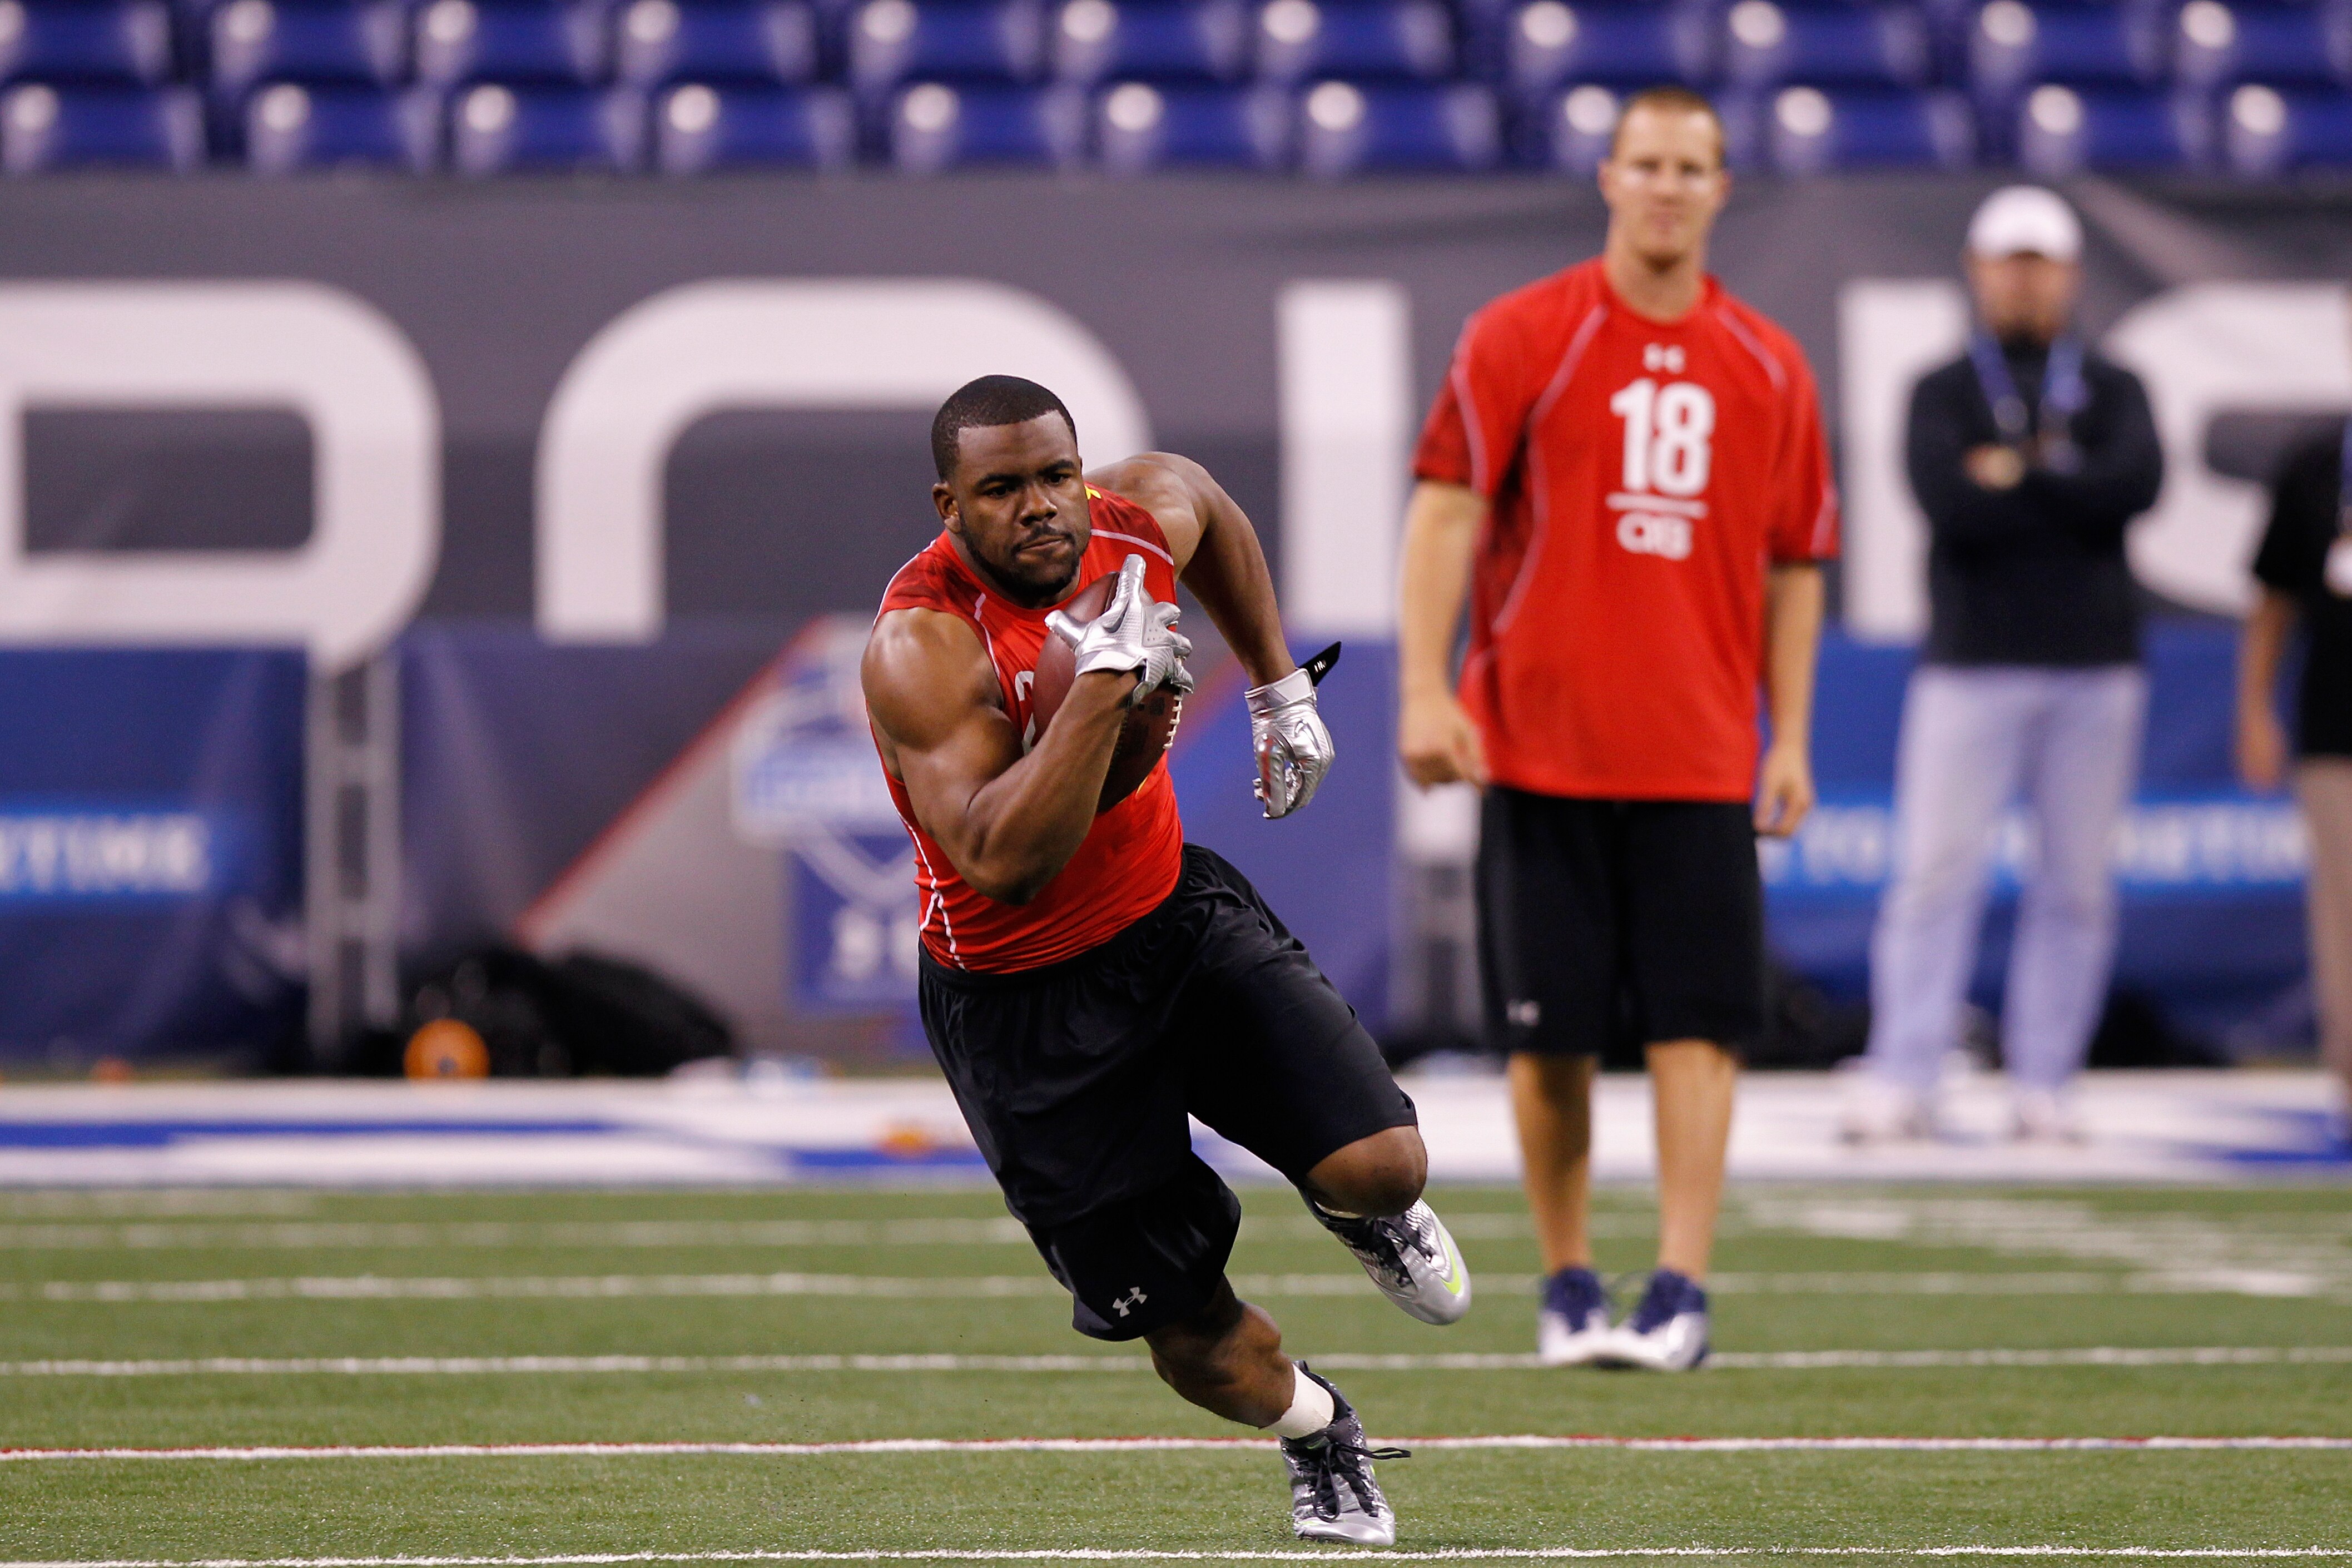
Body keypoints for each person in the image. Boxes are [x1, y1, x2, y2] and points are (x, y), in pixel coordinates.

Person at [863, 375, 1471, 1546]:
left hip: (1171, 923)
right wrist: (1101, 692)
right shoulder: (922, 645)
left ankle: (1360, 1218)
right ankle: (1321, 1430)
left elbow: (1209, 506)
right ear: (951, 505)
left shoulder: (1128, 516)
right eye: (1002, 491)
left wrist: (1276, 685)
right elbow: (1006, 860)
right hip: (1024, 1003)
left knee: (1387, 1163)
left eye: (1055, 476)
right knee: (1198, 1344)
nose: (1042, 508)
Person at [1396, 86, 1834, 1373]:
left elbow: (1797, 561)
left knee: (1704, 1029)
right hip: (1539, 745)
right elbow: (1446, 512)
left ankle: (1683, 1289)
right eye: (1646, 163)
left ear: (1721, 187)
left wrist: (1790, 734)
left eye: (1691, 166)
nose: (1667, 186)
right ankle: (1571, 1279)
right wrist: (1426, 689)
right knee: (1552, 1040)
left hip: (1700, 752)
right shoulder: (1523, 333)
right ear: (1607, 176)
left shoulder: (1769, 362)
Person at [1844, 186, 2163, 1147]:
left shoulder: (2114, 384)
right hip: (1970, 662)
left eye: (2040, 264)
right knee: (1935, 875)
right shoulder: (1941, 388)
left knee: (2075, 883)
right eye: (2008, 262)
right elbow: (1950, 501)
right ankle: (1906, 1072)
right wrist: (2065, 484)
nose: (2023, 281)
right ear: (1979, 271)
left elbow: (2136, 487)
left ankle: (2045, 1080)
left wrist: (2019, 475)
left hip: (2094, 667)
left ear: (2066, 276)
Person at [2236, 364, 2352, 1139]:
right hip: (2336, 720)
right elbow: (2274, 600)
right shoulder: (2317, 462)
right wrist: (2253, 708)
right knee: (2343, 917)